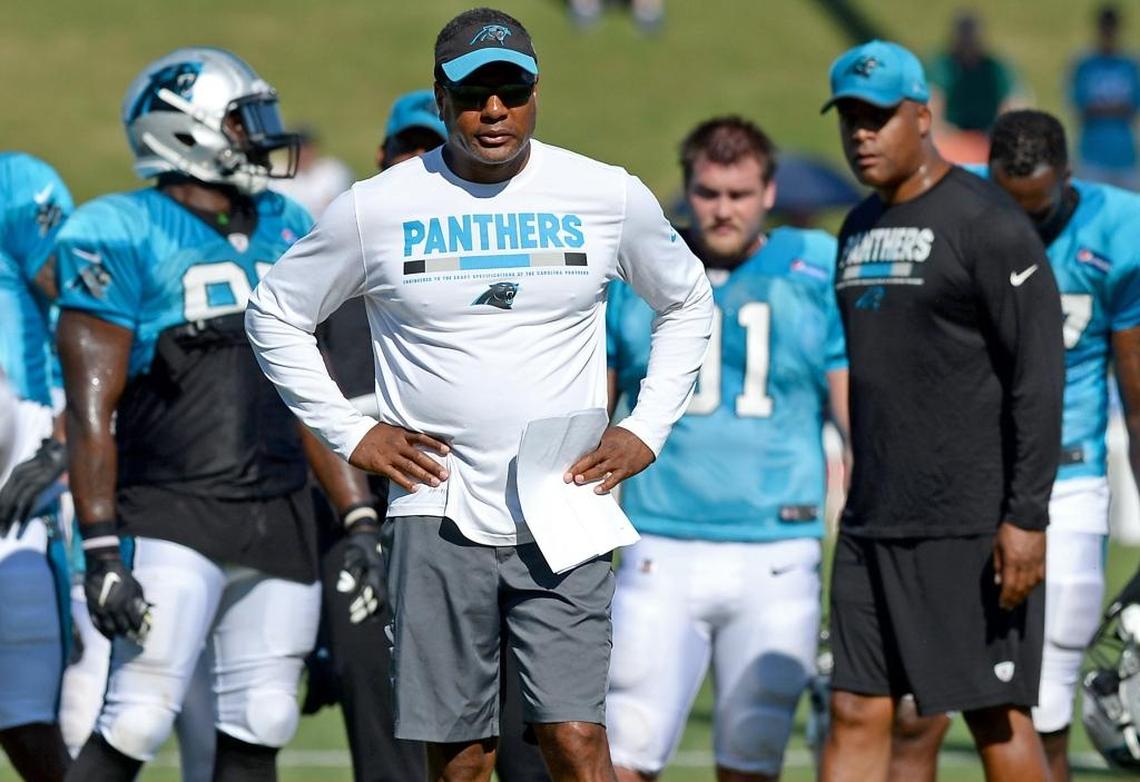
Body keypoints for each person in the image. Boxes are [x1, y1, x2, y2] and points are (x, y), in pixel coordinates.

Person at [245, 8, 714, 781]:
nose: (493, 110)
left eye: (511, 89)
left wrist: (647, 425)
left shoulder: (604, 193)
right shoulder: (379, 206)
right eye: (473, 93)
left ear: (535, 93)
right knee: (461, 756)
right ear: (439, 97)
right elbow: (274, 313)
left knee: (576, 740)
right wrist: (350, 433)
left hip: (564, 502)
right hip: (437, 509)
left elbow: (687, 300)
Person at [56, 47, 371, 781]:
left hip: (280, 508)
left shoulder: (287, 222)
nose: (262, 134)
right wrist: (102, 547)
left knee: (264, 714)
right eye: (242, 119)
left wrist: (357, 519)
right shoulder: (122, 231)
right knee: (137, 715)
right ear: (185, 130)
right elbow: (89, 410)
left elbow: (312, 390)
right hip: (172, 507)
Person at [818, 40, 1065, 782]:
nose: (862, 133)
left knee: (994, 715)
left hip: (970, 522)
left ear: (923, 117)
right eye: (850, 118)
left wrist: (1026, 517)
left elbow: (1038, 374)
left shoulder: (987, 222)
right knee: (856, 708)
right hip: (870, 520)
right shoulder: (855, 227)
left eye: (880, 117)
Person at [889, 109, 1140, 782]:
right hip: (956, 478)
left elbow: (1138, 398)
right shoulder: (946, 206)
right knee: (917, 709)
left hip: (1068, 475)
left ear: (1067, 178)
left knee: (1048, 698)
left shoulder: (1119, 231)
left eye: (1040, 209)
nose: (1022, 230)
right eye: (1009, 206)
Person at [604, 116, 847, 782]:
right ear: (687, 190)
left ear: (769, 192)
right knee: (626, 747)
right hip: (660, 543)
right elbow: (594, 408)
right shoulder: (643, 273)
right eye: (709, 193)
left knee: (752, 758)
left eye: (739, 194)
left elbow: (852, 406)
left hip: (777, 545)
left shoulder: (812, 269)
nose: (723, 209)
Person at [0, 152, 74, 782]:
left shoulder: (15, 185)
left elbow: (80, 310)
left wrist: (66, 433)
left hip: (19, 457)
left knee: (32, 714)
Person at [1068, 4, 1140, 189]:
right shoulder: (1084, 63)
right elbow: (1081, 107)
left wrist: (1102, 108)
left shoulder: (1131, 64)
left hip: (1125, 156)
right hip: (1091, 155)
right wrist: (1116, 108)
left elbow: (1133, 107)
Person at [926, 12, 1022, 133]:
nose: (968, 43)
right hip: (952, 137)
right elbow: (934, 103)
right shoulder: (942, 67)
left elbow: (1010, 104)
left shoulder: (995, 68)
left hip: (988, 134)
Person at [269, 126, 354, 219]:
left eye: (306, 147)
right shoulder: (277, 174)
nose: (302, 153)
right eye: (297, 147)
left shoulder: (333, 171)